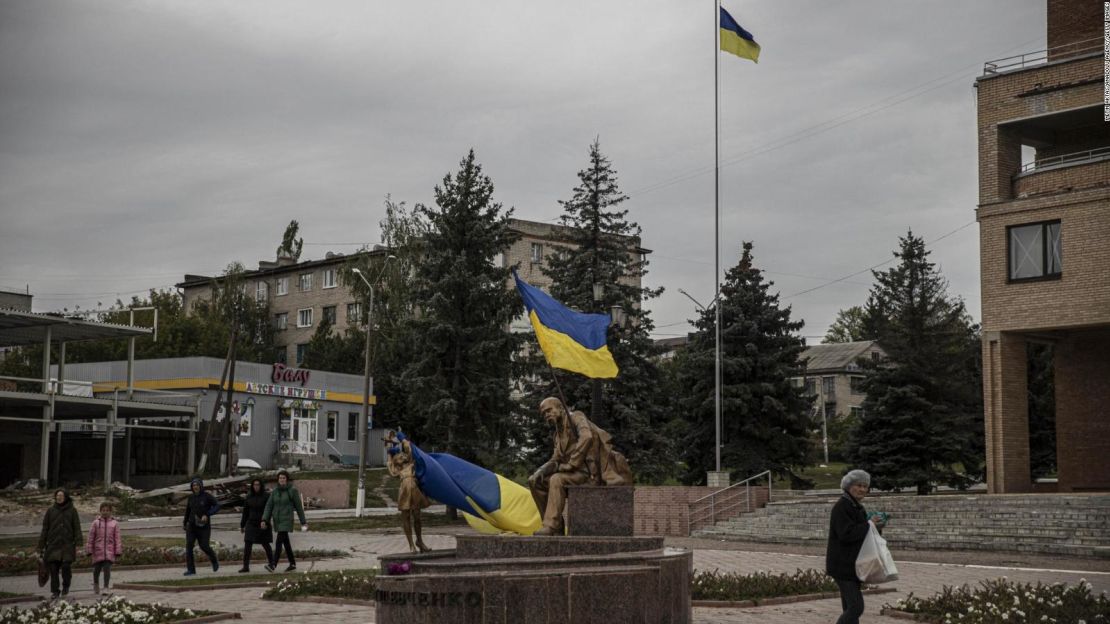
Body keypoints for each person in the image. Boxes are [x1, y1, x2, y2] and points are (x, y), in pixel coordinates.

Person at [527, 397, 634, 536]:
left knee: (556, 479)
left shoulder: (576, 417)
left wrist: (572, 463)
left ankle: (550, 525)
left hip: (588, 474)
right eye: (544, 414)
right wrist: (540, 471)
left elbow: (587, 436)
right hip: (573, 476)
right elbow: (556, 459)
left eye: (549, 410)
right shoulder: (557, 435)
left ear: (560, 408)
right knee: (535, 482)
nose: (547, 415)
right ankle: (557, 525)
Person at [826, 469, 882, 624]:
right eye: (859, 485)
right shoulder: (842, 506)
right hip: (842, 566)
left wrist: (876, 526)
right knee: (856, 607)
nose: (863, 489)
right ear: (849, 486)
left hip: (854, 565)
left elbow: (863, 533)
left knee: (850, 609)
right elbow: (846, 534)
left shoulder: (857, 507)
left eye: (865, 486)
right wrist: (869, 525)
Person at [385, 433, 430, 553]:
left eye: (402, 454)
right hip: (404, 488)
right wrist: (389, 453)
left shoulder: (410, 459)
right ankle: (411, 545)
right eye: (398, 455)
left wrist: (402, 438)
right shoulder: (395, 466)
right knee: (406, 516)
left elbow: (409, 447)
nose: (401, 457)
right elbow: (391, 469)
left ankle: (419, 541)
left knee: (417, 516)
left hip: (414, 487)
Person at [38, 489, 82, 599]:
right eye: (57, 495)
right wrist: (41, 545)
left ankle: (66, 586)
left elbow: (77, 527)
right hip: (53, 545)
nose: (59, 497)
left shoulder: (72, 510)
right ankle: (55, 591)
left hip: (67, 545)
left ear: (66, 497)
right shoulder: (50, 511)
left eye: (61, 495)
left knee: (66, 566)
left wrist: (79, 542)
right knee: (53, 569)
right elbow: (45, 529)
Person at [262, 470, 307, 572]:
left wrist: (303, 522)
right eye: (280, 478)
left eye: (284, 478)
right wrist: (264, 519)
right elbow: (269, 506)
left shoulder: (292, 491)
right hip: (277, 520)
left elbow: (299, 507)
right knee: (286, 543)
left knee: (279, 541)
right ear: (278, 480)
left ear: (287, 479)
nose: (282, 480)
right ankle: (292, 563)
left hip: (287, 519)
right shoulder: (275, 492)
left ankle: (273, 564)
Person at [182, 477, 220, 576]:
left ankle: (214, 560)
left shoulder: (207, 496)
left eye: (197, 485)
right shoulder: (190, 498)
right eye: (193, 485)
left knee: (204, 546)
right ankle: (191, 570)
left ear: (201, 486)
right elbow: (188, 511)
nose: (195, 487)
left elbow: (217, 505)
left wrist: (207, 514)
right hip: (192, 526)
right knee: (189, 546)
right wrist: (185, 522)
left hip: (204, 527)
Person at [85, 502, 122, 594]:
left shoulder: (114, 523)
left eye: (107, 510)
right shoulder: (96, 523)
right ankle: (96, 583)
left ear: (110, 511)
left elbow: (117, 538)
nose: (105, 512)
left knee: (107, 569)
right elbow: (91, 537)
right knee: (96, 569)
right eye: (103, 510)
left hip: (109, 551)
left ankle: (106, 587)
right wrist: (89, 549)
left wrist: (118, 550)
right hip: (98, 550)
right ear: (100, 511)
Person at [239, 478, 274, 573]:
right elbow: (245, 512)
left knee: (265, 544)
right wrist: (242, 525)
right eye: (254, 485)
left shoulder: (266, 496)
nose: (256, 486)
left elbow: (269, 510)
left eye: (258, 485)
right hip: (251, 523)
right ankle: (245, 566)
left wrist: (265, 521)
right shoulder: (249, 496)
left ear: (261, 485)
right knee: (247, 544)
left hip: (262, 523)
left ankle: (272, 563)